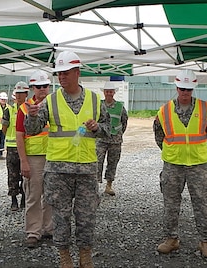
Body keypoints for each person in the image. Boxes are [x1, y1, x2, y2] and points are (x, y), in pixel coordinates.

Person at [25, 51, 110, 268]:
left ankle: (85, 254)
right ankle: (64, 256)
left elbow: (109, 130)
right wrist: (32, 116)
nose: (61, 77)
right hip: (57, 170)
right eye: (58, 74)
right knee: (60, 217)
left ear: (76, 72)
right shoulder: (50, 101)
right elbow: (32, 130)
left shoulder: (94, 99)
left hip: (86, 169)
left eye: (65, 73)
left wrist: (97, 128)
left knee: (86, 216)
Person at [153, 69, 207, 259]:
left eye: (188, 89)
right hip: (173, 165)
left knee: (203, 204)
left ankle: (205, 242)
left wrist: (195, 151)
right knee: (170, 204)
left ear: (193, 89)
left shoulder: (205, 109)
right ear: (176, 87)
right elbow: (159, 136)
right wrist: (174, 151)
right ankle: (171, 239)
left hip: (198, 165)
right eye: (182, 89)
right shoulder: (164, 111)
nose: (185, 93)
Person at [17, 70, 53, 249]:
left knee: (51, 195)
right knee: (33, 195)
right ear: (32, 88)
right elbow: (19, 135)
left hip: (53, 156)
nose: (42, 89)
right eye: (39, 87)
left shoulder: (53, 105)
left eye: (45, 86)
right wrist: (23, 161)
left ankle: (48, 228)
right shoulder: (24, 108)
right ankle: (33, 231)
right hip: (34, 158)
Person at [96, 81, 128, 196]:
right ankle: (95, 185)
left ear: (114, 93)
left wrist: (118, 134)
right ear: (104, 92)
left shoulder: (120, 106)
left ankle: (109, 185)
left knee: (113, 162)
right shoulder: (98, 105)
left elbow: (124, 122)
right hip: (101, 139)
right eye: (107, 91)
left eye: (111, 91)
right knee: (97, 162)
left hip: (115, 140)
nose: (109, 93)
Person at [2, 82, 28, 211]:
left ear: (26, 94)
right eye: (17, 93)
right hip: (12, 147)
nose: (18, 96)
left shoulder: (29, 109)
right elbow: (4, 128)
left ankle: (24, 199)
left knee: (25, 174)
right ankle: (13, 200)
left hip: (26, 147)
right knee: (12, 175)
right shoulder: (8, 110)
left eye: (21, 93)